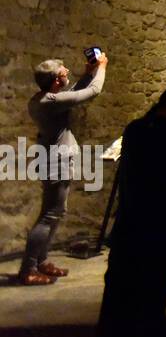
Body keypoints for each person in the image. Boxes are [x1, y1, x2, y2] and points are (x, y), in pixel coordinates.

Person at [96, 85, 166, 337]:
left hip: (131, 224)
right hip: (165, 227)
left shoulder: (134, 129)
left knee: (119, 293)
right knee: (154, 294)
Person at [20, 50, 108, 285]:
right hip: (56, 161)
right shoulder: (50, 102)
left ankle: (41, 261)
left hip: (52, 158)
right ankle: (29, 268)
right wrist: (102, 67)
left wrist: (87, 73)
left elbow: (72, 93)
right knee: (49, 214)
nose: (66, 71)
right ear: (55, 80)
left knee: (56, 212)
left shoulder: (43, 99)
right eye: (62, 71)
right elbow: (91, 92)